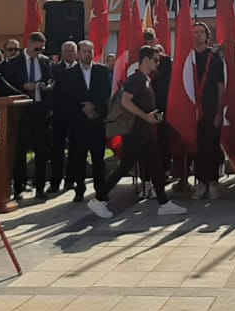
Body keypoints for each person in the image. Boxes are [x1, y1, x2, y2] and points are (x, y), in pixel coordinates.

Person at [86, 46, 186, 218]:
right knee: (125, 166)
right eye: (155, 59)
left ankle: (163, 202)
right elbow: (125, 101)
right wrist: (146, 116)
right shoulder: (136, 79)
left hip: (146, 131)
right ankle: (99, 199)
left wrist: (152, 116)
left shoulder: (146, 79)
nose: (157, 63)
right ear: (146, 59)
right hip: (135, 132)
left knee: (155, 166)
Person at [1, 32, 54, 201]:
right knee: (20, 151)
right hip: (22, 112)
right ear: (29, 44)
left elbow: (52, 78)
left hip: (40, 110)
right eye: (36, 48)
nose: (39, 52)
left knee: (42, 151)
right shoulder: (15, 62)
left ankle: (40, 187)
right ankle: (19, 187)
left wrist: (48, 85)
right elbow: (6, 85)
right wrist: (23, 86)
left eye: (42, 49)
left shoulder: (45, 61)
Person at [59, 39, 112, 202]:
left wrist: (94, 108)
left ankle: (100, 190)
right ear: (78, 53)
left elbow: (105, 93)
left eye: (90, 51)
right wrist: (83, 108)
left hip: (96, 121)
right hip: (79, 123)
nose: (87, 54)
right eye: (84, 51)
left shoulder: (102, 71)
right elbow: (67, 97)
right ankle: (79, 189)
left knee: (98, 159)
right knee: (78, 158)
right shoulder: (69, 74)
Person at [187, 24, 226, 198]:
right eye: (194, 32)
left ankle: (213, 182)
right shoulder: (187, 58)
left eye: (201, 32)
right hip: (191, 109)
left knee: (212, 145)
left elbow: (220, 85)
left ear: (207, 35)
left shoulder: (214, 58)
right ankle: (201, 182)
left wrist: (219, 111)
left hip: (210, 108)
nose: (198, 35)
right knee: (197, 147)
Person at [45, 40, 80, 196]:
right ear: (62, 52)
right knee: (57, 149)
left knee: (75, 149)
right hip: (59, 115)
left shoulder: (80, 69)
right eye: (66, 50)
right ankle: (55, 181)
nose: (69, 53)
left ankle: (70, 180)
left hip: (76, 115)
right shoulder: (54, 69)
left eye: (72, 50)